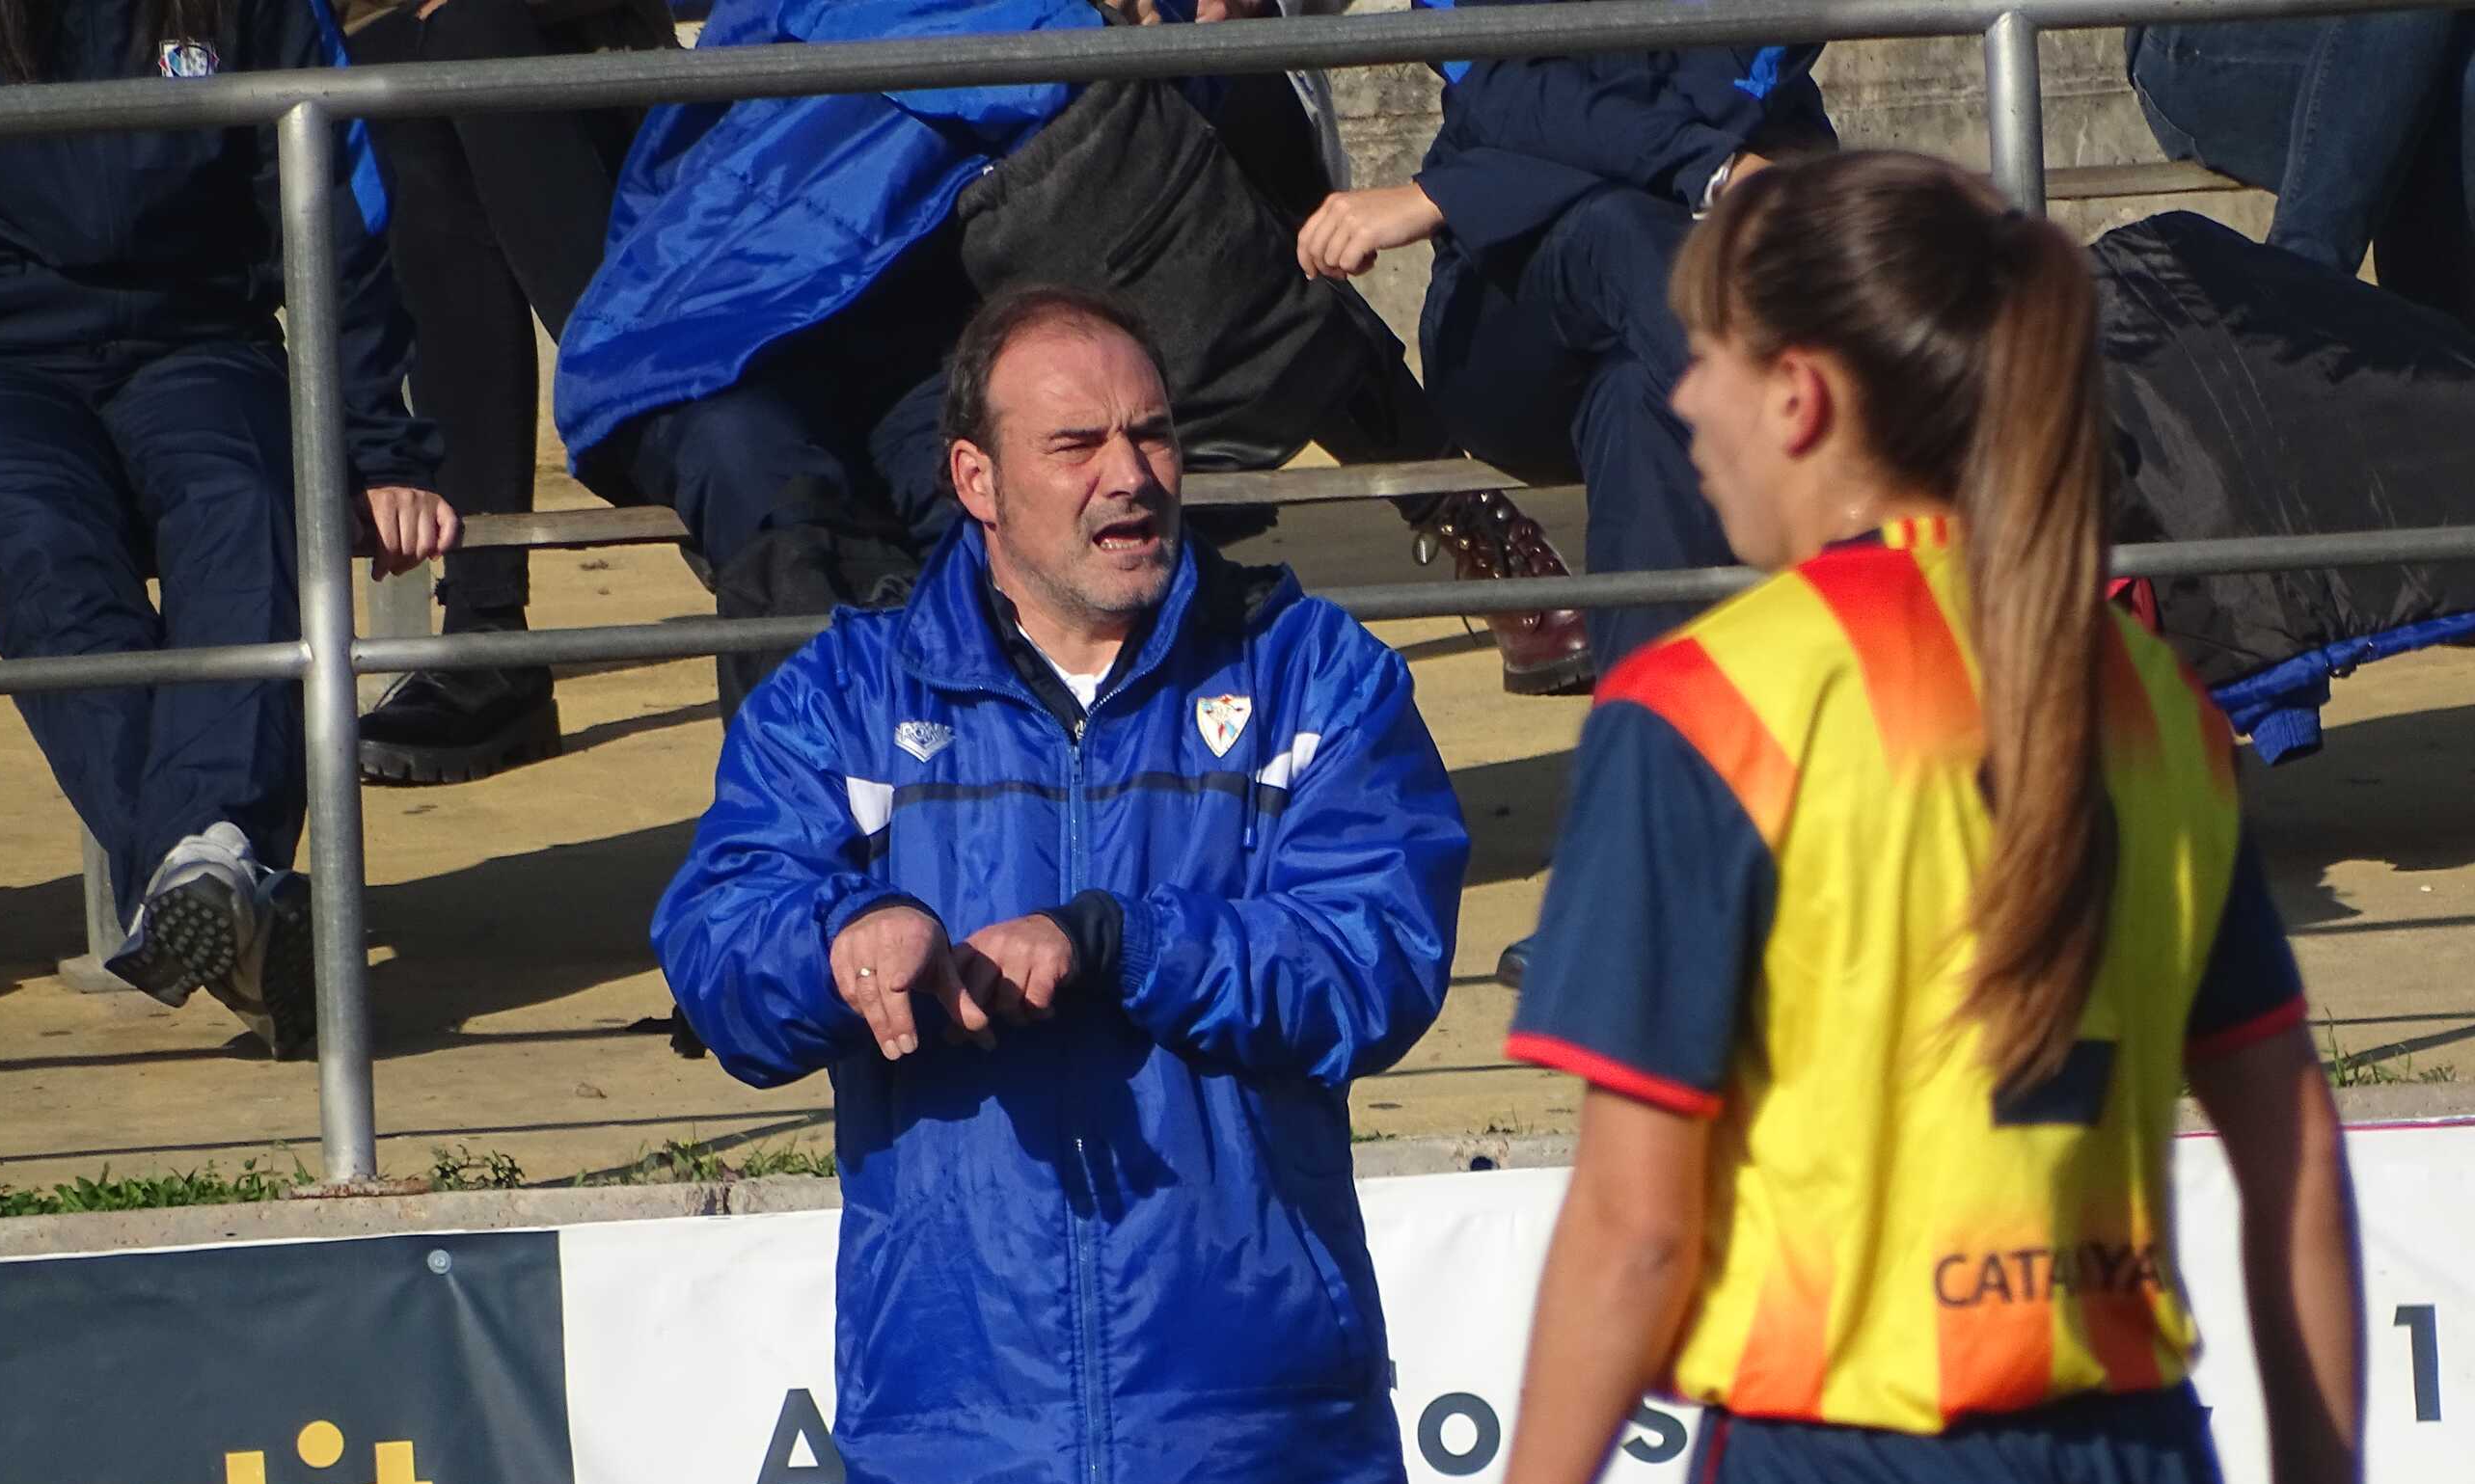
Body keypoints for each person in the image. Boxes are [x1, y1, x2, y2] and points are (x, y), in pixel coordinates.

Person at [1446, 151, 2421, 1484]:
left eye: (1702, 357)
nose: (1682, 403)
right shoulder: (2148, 699)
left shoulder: (1715, 706)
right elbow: (2293, 1165)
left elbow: (1635, 1231)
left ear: (1800, 397)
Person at [654, 283, 1467, 1484]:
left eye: (1152, 435)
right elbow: (715, 937)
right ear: (974, 477)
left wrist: (1117, 940)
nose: (1130, 475)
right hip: (978, 1446)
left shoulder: (1316, 675)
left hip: (1253, 1437)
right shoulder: (844, 695)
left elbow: (1372, 961)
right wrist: (844, 938)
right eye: (1077, 443)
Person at [557, 0, 1585, 720]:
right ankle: (808, 865)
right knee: (781, 514)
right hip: (731, 334)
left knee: (1009, 510)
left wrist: (1192, 23)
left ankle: (1466, 520)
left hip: (932, 327)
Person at [1294, 5, 1830, 984]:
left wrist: (1450, 192)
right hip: (1517, 311)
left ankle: (1635, 875)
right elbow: (1508, 92)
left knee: (1642, 406)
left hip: (1679, 301)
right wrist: (1710, 169)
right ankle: (1864, 540)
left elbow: (1725, 85)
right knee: (1627, 232)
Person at [0, 0, 454, 1058]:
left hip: (200, 343)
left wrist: (378, 446)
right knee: (44, 549)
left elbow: (337, 206)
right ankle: (221, 885)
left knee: (251, 503)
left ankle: (208, 872)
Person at [341, 0, 676, 785]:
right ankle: (485, 623)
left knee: (463, 42)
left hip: (595, 61)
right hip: (386, 71)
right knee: (399, 66)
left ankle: (694, 468)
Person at [2128, 13, 2475, 319]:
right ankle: (2295, 292)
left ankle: (2432, 356)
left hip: (2393, 44)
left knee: (2452, 82)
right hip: (2195, 38)